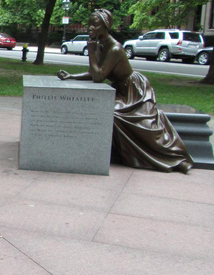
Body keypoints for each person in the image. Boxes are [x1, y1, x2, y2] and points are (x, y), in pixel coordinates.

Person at [57, 9, 192, 173]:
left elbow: (99, 76)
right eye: (89, 24)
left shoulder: (115, 49)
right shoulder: (100, 45)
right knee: (105, 111)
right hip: (119, 89)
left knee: (118, 115)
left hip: (133, 90)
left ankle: (173, 158)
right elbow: (96, 72)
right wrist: (72, 76)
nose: (90, 28)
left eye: (95, 25)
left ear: (106, 25)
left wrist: (91, 52)